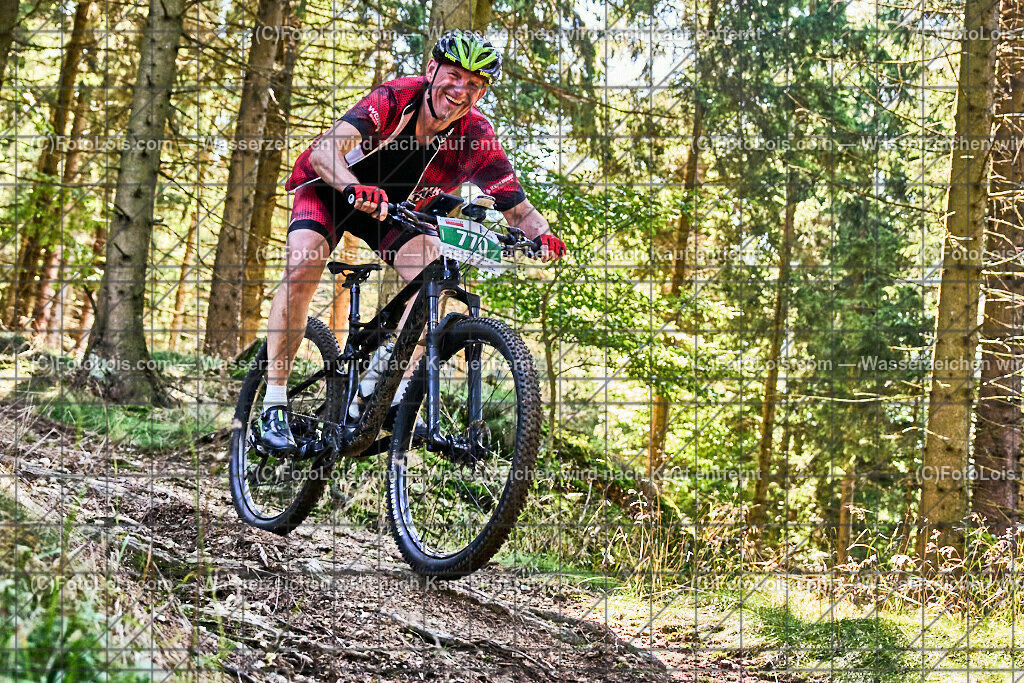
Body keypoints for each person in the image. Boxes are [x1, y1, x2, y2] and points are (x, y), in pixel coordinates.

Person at [256, 29, 567, 452]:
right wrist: (353, 187)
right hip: (331, 189)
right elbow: (324, 153)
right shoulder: (395, 98)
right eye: (454, 75)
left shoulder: (477, 137)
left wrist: (543, 237)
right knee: (304, 265)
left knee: (434, 273)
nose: (460, 90)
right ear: (431, 69)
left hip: (394, 210)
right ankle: (273, 402)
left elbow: (519, 209)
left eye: (474, 84)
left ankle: (382, 385)